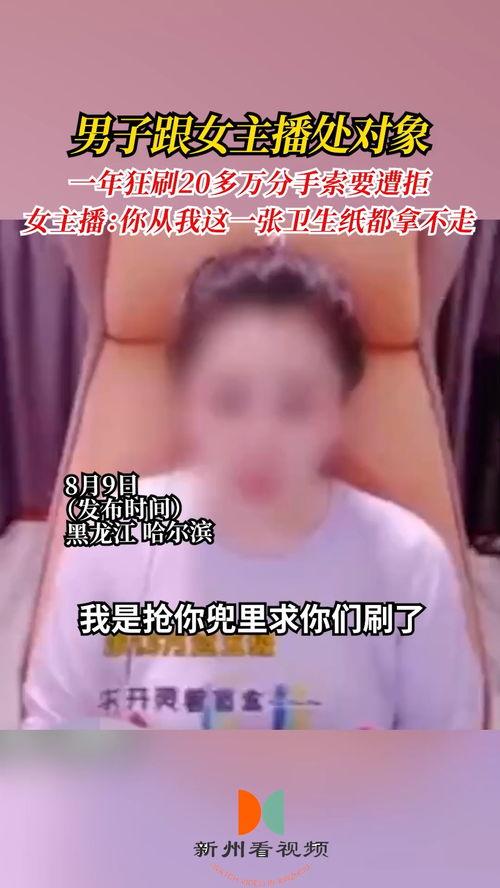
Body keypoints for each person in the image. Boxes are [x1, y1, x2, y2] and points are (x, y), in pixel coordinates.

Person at [23, 245, 483, 729]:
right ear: (185, 400)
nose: (261, 440)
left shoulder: (408, 557)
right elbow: (52, 730)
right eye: (229, 400)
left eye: (297, 405)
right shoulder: (115, 529)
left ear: (338, 410)